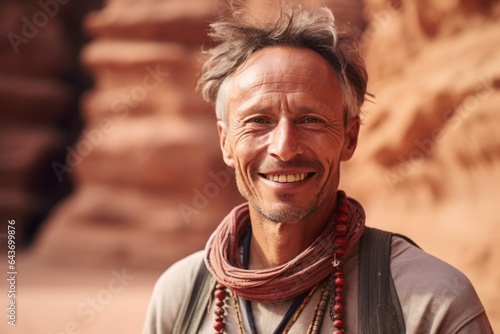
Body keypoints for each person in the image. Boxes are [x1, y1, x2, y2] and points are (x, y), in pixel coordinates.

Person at [142, 6, 493, 334]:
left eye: (310, 120)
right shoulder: (181, 297)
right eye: (258, 121)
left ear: (349, 138)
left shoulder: (432, 304)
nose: (284, 147)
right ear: (225, 143)